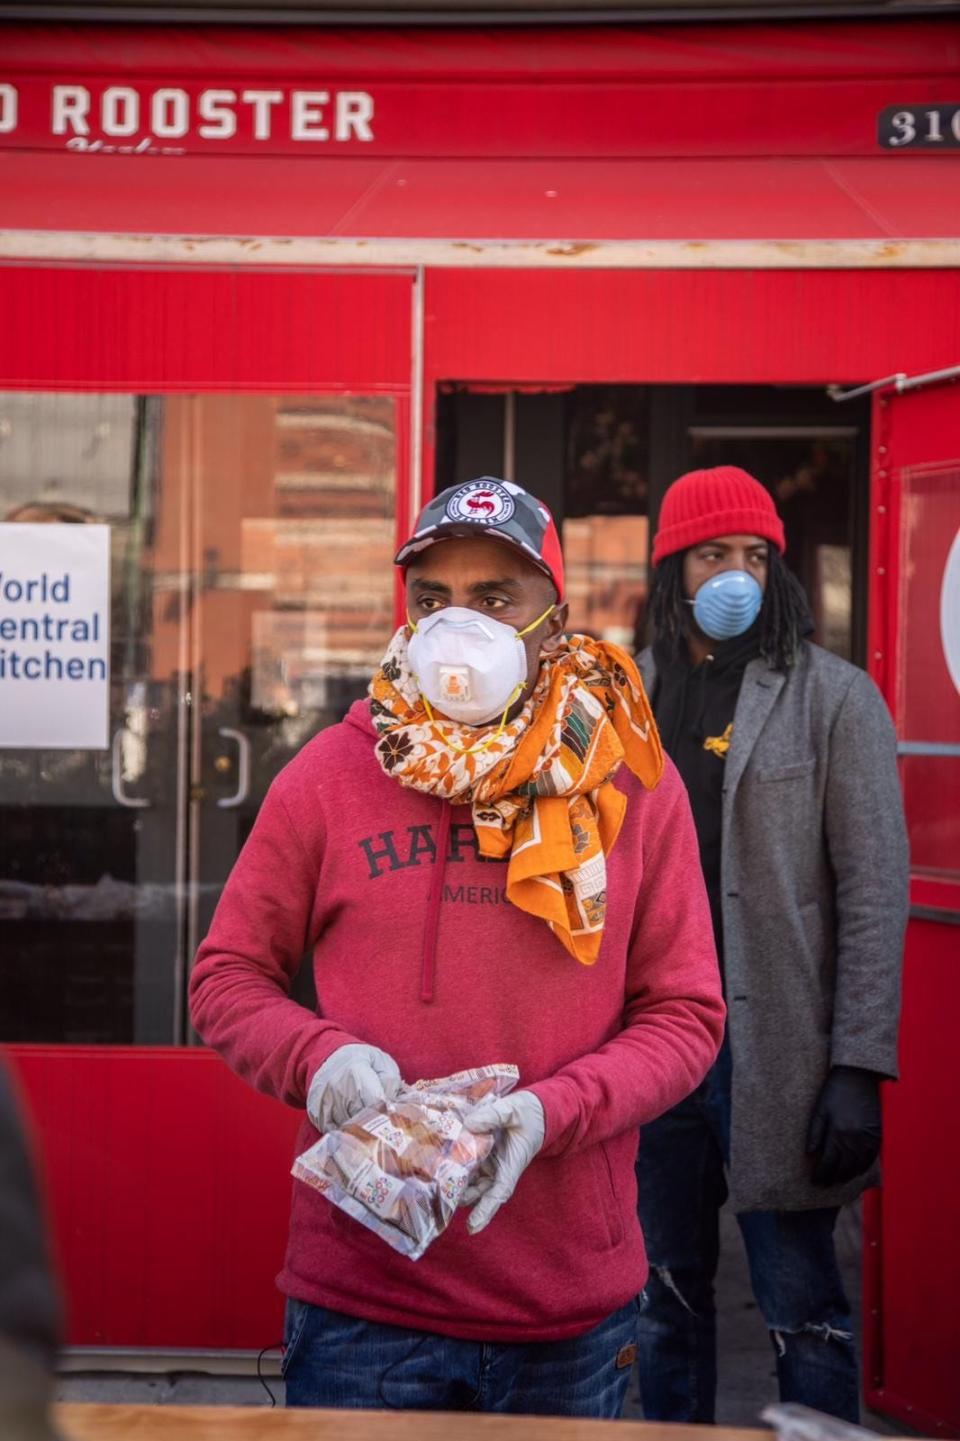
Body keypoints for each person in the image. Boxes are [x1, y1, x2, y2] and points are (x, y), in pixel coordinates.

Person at [190, 477, 725, 1416]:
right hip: (366, 1306)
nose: (455, 627)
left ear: (552, 622)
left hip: (569, 1316)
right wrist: (322, 1061)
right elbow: (227, 977)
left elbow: (686, 1016)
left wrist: (552, 1113)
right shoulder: (330, 774)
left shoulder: (632, 787)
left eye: (495, 598)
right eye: (432, 599)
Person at [634, 466, 908, 1424]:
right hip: (652, 1048)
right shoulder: (629, 696)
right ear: (673, 569)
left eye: (754, 555)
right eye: (714, 555)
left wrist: (858, 1065)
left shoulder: (836, 699)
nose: (736, 575)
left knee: (806, 1312)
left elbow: (877, 893)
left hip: (781, 1057)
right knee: (659, 1296)